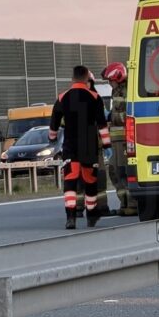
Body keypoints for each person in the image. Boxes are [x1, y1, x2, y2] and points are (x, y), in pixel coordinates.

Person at [51, 65, 111, 229]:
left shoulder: (63, 97)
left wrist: (52, 136)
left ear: (72, 79)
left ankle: (70, 217)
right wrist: (106, 143)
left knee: (70, 181)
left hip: (70, 145)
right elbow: (102, 124)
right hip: (89, 145)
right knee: (90, 181)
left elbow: (54, 120)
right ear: (87, 79)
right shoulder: (94, 97)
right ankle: (91, 214)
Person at [102, 61, 137, 216]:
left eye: (111, 81)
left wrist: (111, 116)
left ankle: (133, 205)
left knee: (124, 171)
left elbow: (128, 115)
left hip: (124, 139)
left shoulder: (128, 91)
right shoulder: (117, 92)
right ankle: (124, 203)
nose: (110, 84)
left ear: (118, 77)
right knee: (114, 171)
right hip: (116, 140)